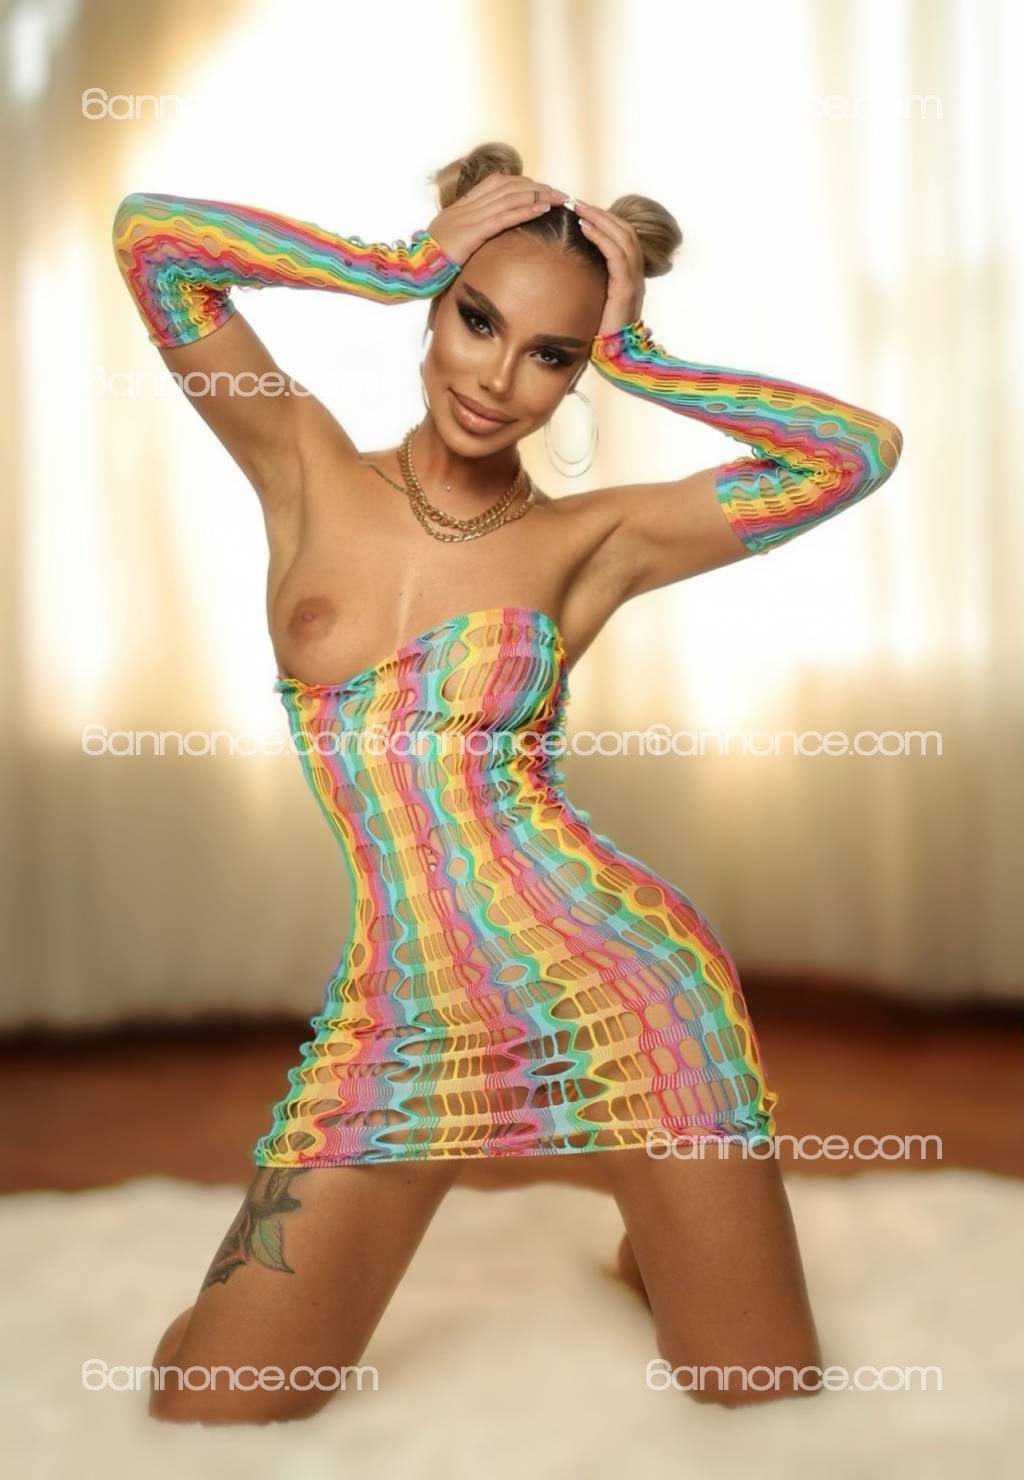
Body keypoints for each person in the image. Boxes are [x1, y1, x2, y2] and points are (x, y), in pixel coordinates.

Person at [112, 140, 902, 1424]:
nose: (497, 377)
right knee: (208, 1402)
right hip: (410, 1013)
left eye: (552, 354)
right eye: (476, 319)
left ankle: (670, 1226)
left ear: (577, 373)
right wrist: (389, 260)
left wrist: (643, 356)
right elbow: (153, 240)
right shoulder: (300, 462)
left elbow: (855, 452)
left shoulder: (593, 540)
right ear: (435, 309)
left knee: (757, 1387)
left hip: (624, 991)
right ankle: (678, 1223)